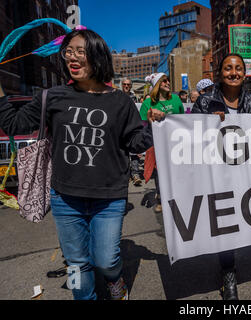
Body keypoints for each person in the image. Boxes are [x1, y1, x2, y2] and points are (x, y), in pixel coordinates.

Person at [0, 29, 155, 300]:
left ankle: (115, 279)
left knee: (106, 260)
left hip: (108, 198)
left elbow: (135, 142)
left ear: (97, 55)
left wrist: (155, 126)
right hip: (64, 198)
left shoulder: (120, 101)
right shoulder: (52, 97)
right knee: (76, 263)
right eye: (69, 52)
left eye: (80, 52)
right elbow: (14, 124)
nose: (73, 58)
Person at [192, 53, 251, 300]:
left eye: (238, 69)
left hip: (244, 173)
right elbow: (188, 137)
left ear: (244, 73)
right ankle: (228, 272)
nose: (233, 73)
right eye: (228, 68)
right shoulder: (204, 102)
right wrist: (206, 123)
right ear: (219, 73)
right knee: (225, 225)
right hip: (216, 174)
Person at [139, 73, 184, 213]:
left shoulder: (176, 99)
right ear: (157, 85)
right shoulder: (147, 104)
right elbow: (141, 125)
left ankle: (179, 197)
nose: (168, 83)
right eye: (164, 81)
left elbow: (183, 120)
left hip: (176, 143)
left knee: (178, 171)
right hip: (157, 143)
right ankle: (161, 199)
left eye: (168, 81)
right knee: (160, 173)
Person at [122, 78, 143, 186]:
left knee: (134, 151)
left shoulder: (134, 98)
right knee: (122, 152)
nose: (126, 86)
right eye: (124, 84)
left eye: (128, 84)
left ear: (131, 86)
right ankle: (126, 175)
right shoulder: (117, 96)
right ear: (122, 85)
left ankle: (135, 174)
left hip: (131, 127)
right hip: (120, 128)